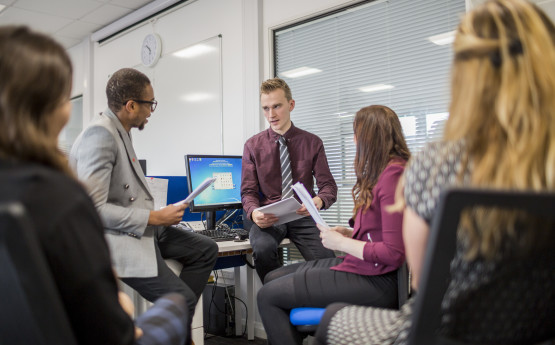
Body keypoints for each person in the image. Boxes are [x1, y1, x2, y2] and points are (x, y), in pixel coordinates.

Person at [314, 1, 555, 344]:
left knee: (333, 322)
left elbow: (421, 280)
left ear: (465, 78)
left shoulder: (437, 165)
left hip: (451, 330)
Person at [0, 25, 190, 345]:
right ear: (53, 109)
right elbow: (111, 333)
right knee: (177, 303)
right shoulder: (58, 199)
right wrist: (122, 307)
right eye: (64, 96)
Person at [69, 68, 218, 317]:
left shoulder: (120, 131)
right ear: (131, 105)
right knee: (183, 301)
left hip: (143, 228)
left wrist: (157, 217)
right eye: (150, 104)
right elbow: (93, 210)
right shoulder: (100, 135)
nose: (151, 111)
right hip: (115, 240)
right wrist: (155, 218)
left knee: (207, 249)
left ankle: (176, 320)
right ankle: (176, 319)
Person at [256, 105, 410, 344]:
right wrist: (349, 232)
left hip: (377, 280)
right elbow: (384, 232)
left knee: (268, 296)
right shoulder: (389, 171)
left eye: (356, 134)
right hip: (366, 268)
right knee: (272, 278)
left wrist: (342, 243)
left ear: (370, 137)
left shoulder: (393, 176)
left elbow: (393, 252)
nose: (355, 140)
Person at [241, 78, 337, 283]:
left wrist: (317, 201)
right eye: (265, 108)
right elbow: (248, 192)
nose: (271, 115)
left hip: (302, 215)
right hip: (270, 216)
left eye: (277, 106)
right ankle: (276, 296)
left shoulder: (312, 142)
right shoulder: (252, 145)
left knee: (328, 261)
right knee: (263, 249)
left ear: (291, 105)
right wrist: (254, 212)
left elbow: (328, 186)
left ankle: (321, 306)